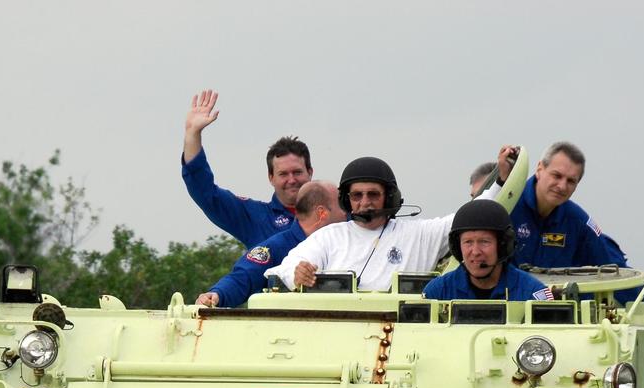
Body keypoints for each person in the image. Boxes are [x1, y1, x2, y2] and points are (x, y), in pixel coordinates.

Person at [265, 156, 452, 292]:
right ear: (346, 200)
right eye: (357, 195)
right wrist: (297, 274)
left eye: (373, 194)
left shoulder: (421, 235)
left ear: (389, 198)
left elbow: (473, 214)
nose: (364, 202)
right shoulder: (329, 236)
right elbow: (286, 268)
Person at [182, 89, 313, 247]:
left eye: (297, 172)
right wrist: (192, 134)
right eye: (283, 174)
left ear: (310, 172)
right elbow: (205, 193)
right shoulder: (255, 217)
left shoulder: (334, 213)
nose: (291, 180)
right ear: (271, 177)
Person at [196, 181, 343, 308]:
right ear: (322, 213)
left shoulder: (348, 242)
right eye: (342, 206)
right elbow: (244, 277)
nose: (348, 212)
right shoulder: (278, 246)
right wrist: (217, 294)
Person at [489, 142, 628, 269]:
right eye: (556, 176)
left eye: (571, 181)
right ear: (539, 169)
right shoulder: (505, 207)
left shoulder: (579, 222)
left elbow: (615, 270)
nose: (562, 186)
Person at [422, 200, 549, 301]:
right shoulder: (437, 292)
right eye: (468, 242)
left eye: (484, 242)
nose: (475, 252)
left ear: (502, 246)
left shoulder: (534, 292)